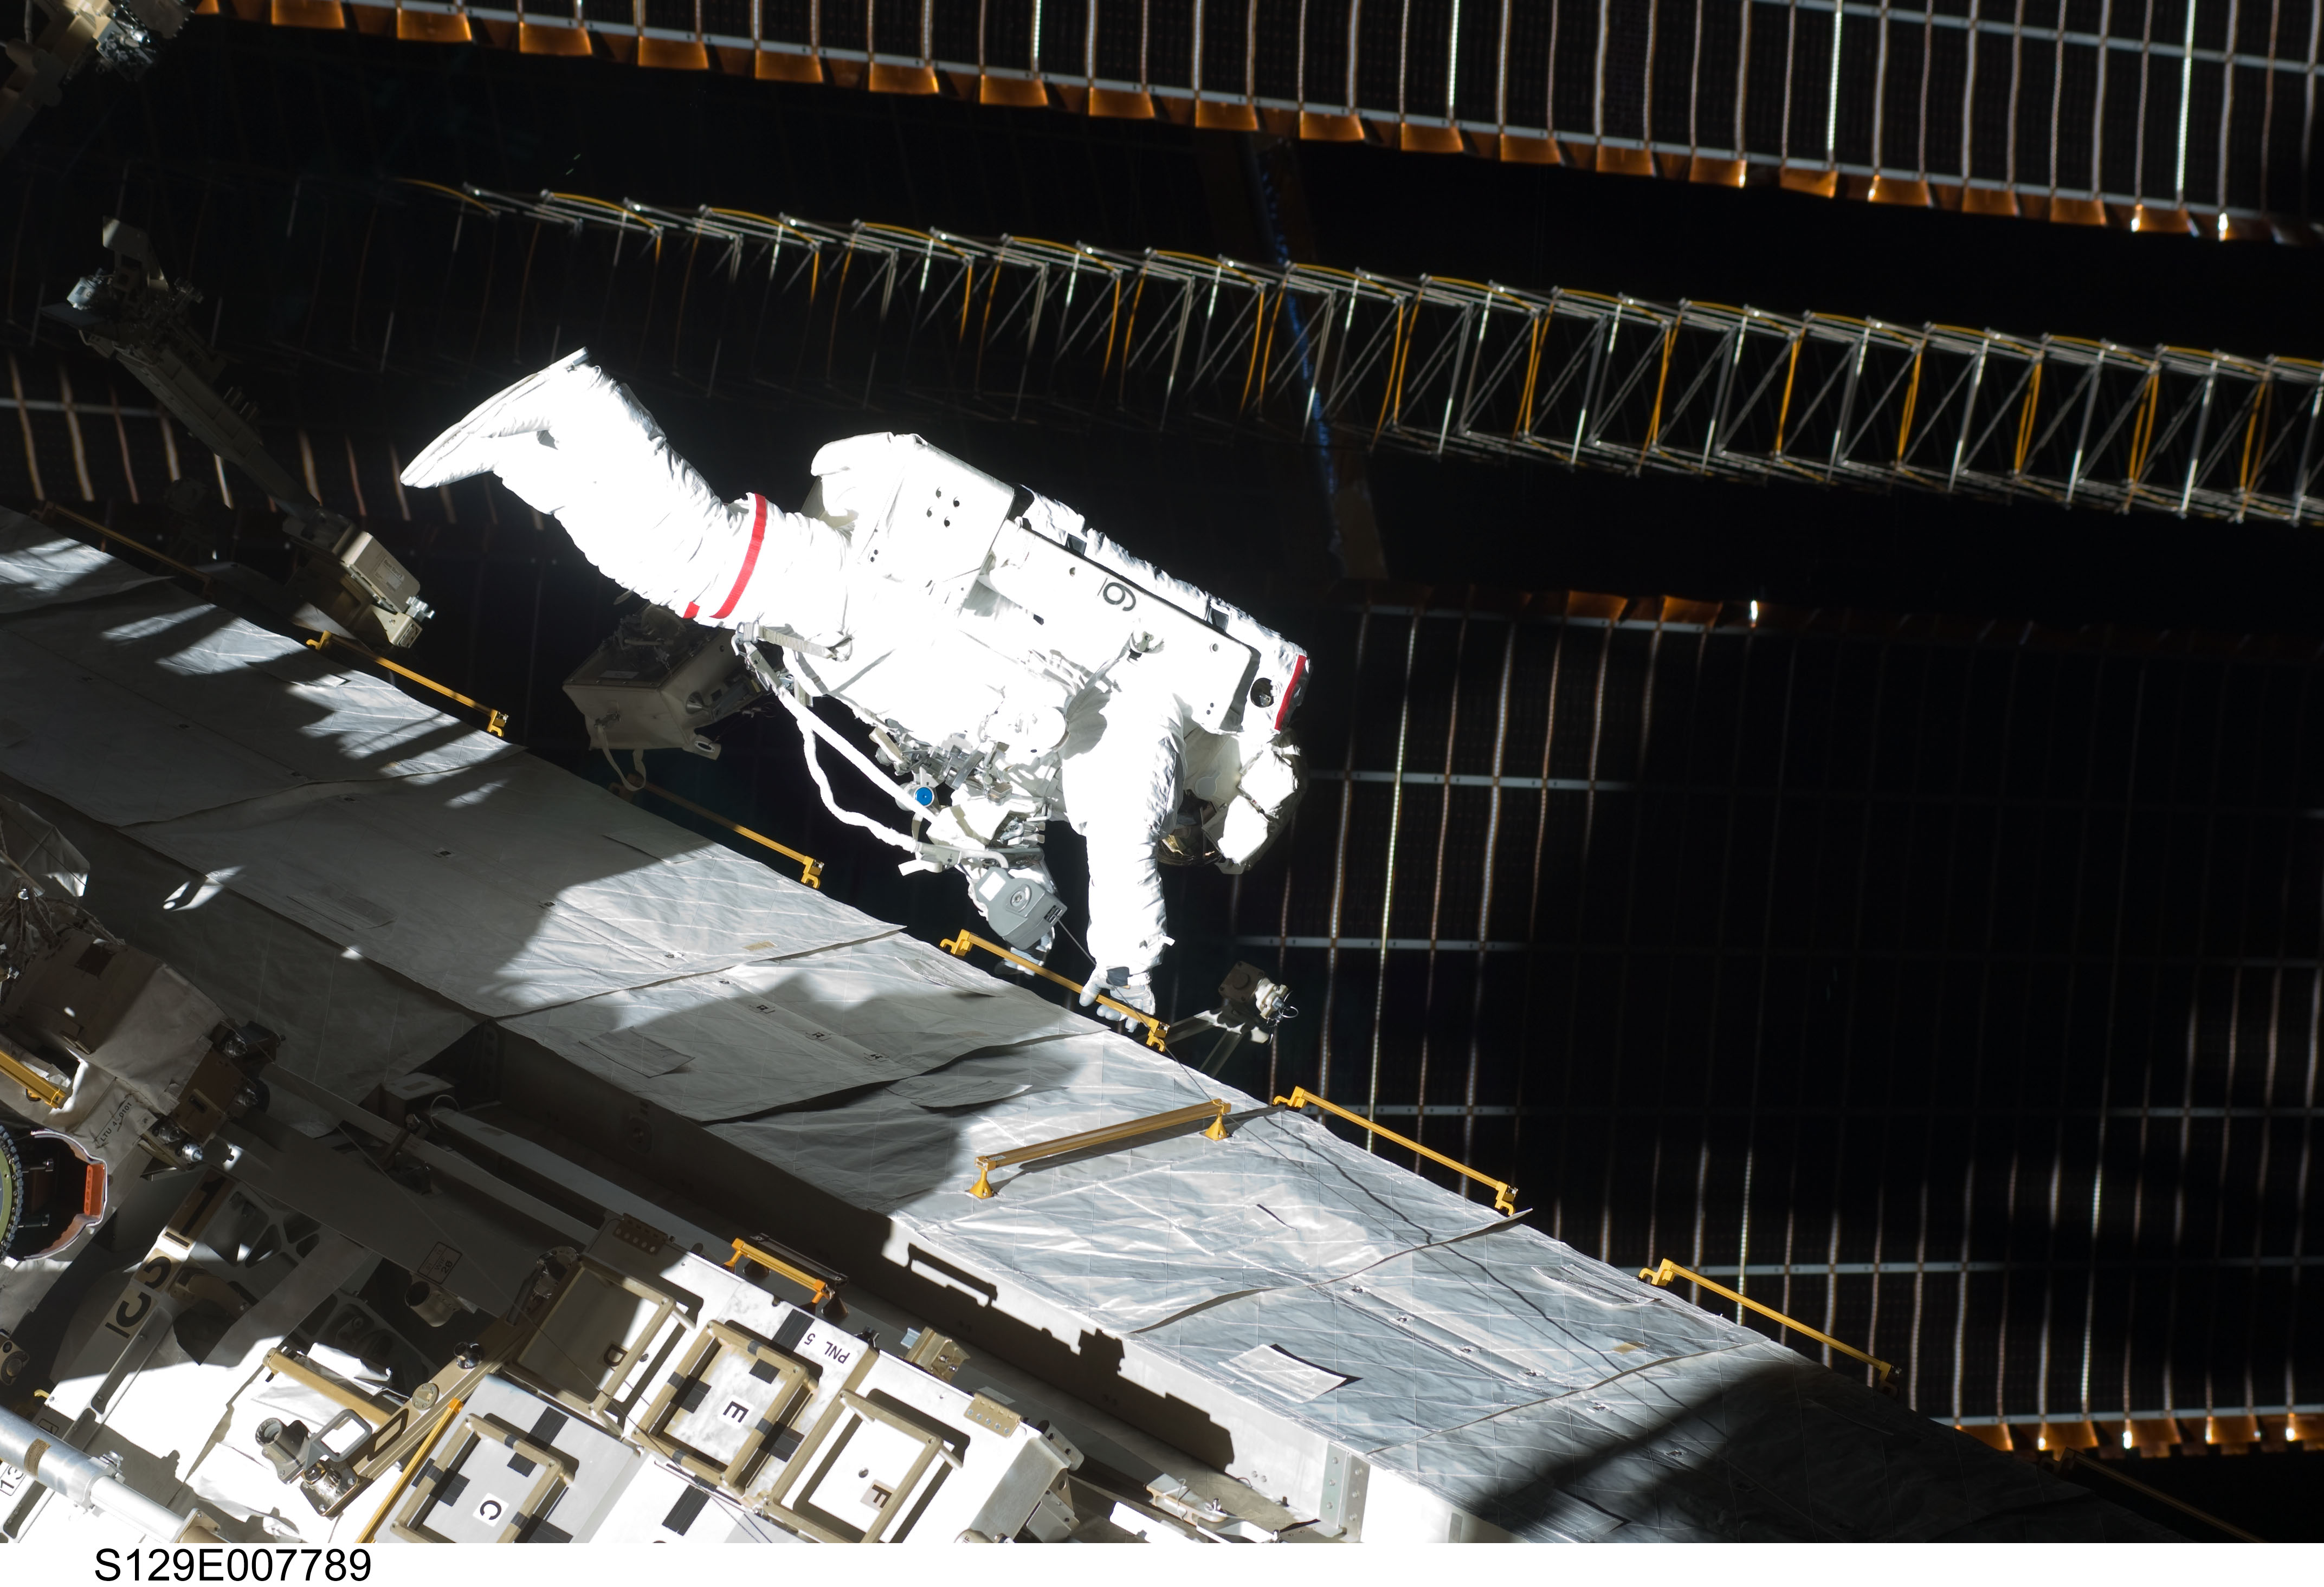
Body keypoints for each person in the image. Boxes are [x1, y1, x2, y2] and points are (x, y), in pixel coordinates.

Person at [401, 351, 1308, 1021]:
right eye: (1192, 835)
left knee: (676, 574)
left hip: (850, 641)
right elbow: (1123, 835)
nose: (1176, 841)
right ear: (1220, 799)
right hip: (873, 602)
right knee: (698, 553)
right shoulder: (1151, 728)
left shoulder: (1089, 762)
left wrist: (1021, 907)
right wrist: (1133, 963)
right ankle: (582, 399)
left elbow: (989, 824)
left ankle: (523, 455)